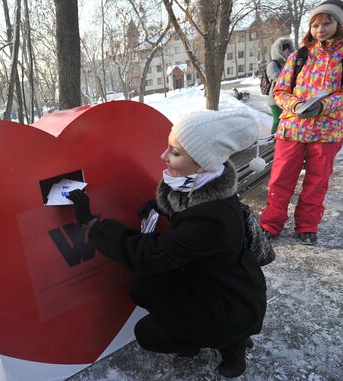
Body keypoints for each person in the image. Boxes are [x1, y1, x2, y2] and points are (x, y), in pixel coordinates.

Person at [66, 109, 267, 378]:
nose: (163, 156)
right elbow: (190, 214)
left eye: (175, 152)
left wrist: (91, 225)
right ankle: (196, 333)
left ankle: (231, 341)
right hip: (205, 280)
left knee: (148, 334)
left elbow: (147, 254)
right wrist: (164, 208)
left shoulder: (213, 219)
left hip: (230, 302)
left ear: (201, 163)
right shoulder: (203, 184)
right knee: (143, 288)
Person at [260, 0, 343, 245]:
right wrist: (295, 105)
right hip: (292, 129)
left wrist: (324, 105)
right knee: (280, 179)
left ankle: (307, 225)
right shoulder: (300, 55)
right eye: (315, 24)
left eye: (327, 22)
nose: (320, 29)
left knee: (316, 182)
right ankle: (270, 223)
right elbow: (280, 91)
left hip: (326, 132)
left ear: (339, 23)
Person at [267, 37, 294, 135]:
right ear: (278, 51)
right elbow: (279, 80)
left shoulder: (288, 63)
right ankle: (273, 138)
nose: (286, 52)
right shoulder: (273, 64)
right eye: (284, 50)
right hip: (274, 99)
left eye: (288, 50)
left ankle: (279, 137)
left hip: (285, 98)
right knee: (277, 121)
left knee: (284, 121)